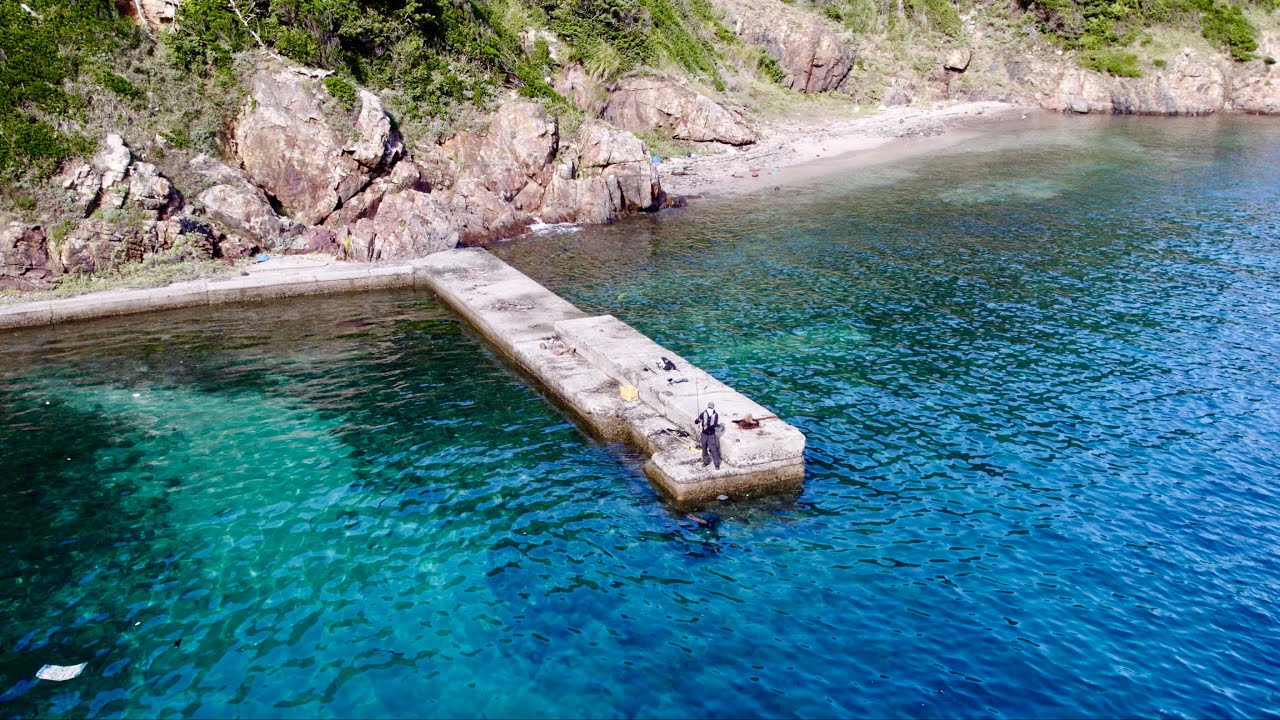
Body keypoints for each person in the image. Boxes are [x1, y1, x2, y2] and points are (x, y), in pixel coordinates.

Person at [695, 401, 721, 469]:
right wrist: (697, 420)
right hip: (704, 434)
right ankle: (706, 461)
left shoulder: (715, 415)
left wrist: (708, 427)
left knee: (713, 449)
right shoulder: (703, 413)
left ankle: (716, 464)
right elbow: (697, 420)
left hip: (711, 434)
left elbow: (715, 424)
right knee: (704, 448)